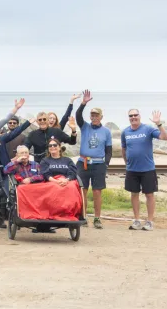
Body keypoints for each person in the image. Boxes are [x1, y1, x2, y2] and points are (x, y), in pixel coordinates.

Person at [121, 109, 167, 231]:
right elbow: (124, 149)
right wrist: (127, 163)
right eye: (130, 115)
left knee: (149, 195)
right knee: (134, 194)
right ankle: (136, 220)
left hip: (147, 169)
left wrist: (158, 124)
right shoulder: (125, 132)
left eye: (135, 115)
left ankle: (150, 221)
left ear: (139, 116)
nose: (133, 117)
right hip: (132, 170)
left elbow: (165, 137)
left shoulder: (147, 129)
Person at [75, 89, 113, 229]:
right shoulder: (84, 127)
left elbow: (109, 151)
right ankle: (83, 216)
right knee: (82, 190)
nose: (94, 117)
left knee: (97, 191)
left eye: (96, 115)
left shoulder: (106, 131)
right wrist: (83, 103)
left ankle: (97, 218)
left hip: (98, 164)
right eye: (92, 115)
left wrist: (106, 164)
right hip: (83, 162)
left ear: (101, 117)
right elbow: (78, 115)